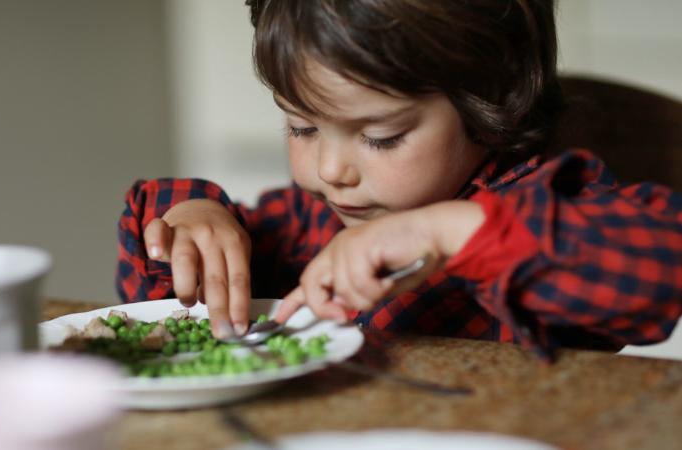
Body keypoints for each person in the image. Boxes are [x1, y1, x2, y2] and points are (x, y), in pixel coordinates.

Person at [116, 0, 682, 359]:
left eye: (380, 136)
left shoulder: (537, 206)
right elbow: (162, 314)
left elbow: (661, 268)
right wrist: (194, 218)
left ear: (489, 104)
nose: (329, 172)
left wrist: (453, 234)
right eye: (302, 127)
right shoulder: (307, 221)